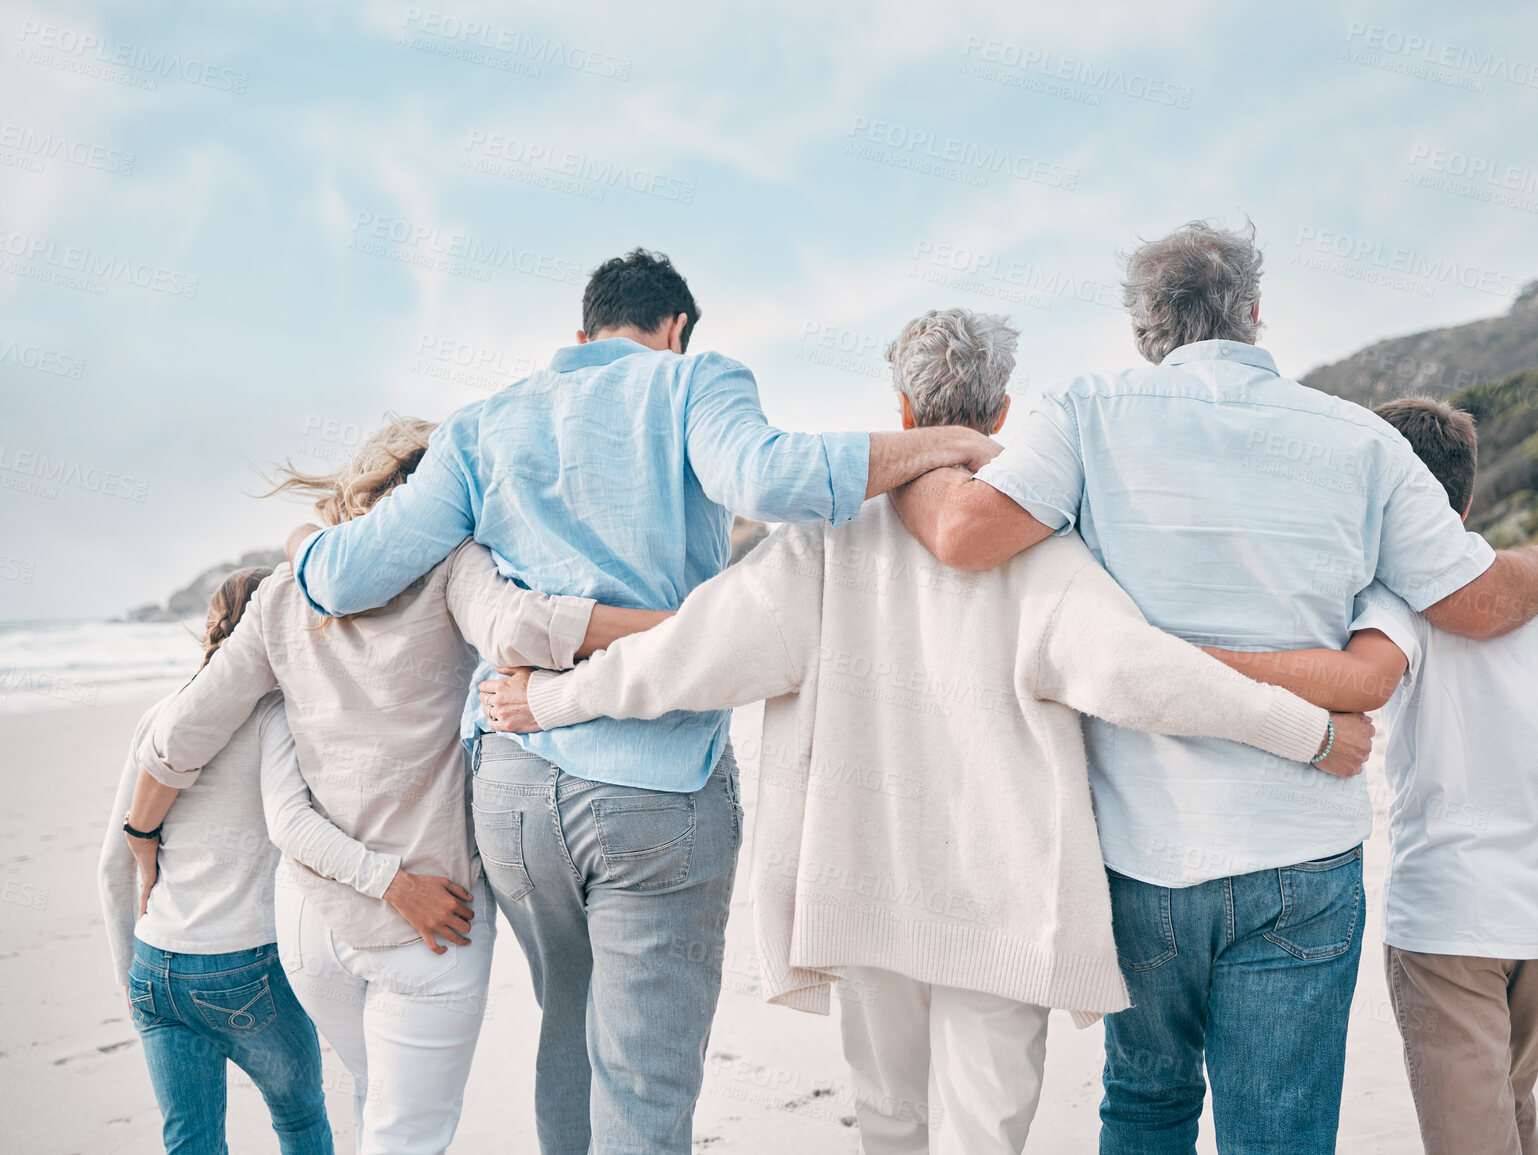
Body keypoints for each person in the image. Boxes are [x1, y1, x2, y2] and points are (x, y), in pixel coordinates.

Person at [477, 307, 1375, 1155]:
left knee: (888, 1128)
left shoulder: (822, 548)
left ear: (901, 409)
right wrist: (1307, 733)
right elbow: (1148, 676)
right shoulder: (1044, 555)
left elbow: (687, 652)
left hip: (861, 891)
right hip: (1002, 910)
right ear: (1004, 412)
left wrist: (550, 701)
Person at [289, 251, 1002, 1155]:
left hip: (510, 788)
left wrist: (302, 547)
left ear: (583, 331)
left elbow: (342, 578)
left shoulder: (482, 425)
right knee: (642, 1084)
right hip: (651, 787)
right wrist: (945, 443)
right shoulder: (691, 381)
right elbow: (771, 478)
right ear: (674, 331)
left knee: (570, 1041)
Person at [890, 221, 1538, 1154]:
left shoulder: (1089, 408)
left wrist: (897, 455)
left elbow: (964, 538)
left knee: (1144, 1102)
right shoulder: (1359, 440)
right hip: (1301, 849)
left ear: (1143, 331)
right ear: (1253, 313)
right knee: (1280, 1131)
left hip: (1138, 845)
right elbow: (1474, 602)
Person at [128, 416, 656, 1155]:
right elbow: (520, 627)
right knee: (405, 1135)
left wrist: (140, 830)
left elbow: (180, 732)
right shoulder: (452, 565)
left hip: (310, 921)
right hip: (430, 916)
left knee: (375, 1099)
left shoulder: (288, 589)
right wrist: (675, 624)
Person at [1202, 398, 1538, 1155]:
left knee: (1472, 1133)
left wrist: (1201, 660)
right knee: (1511, 1098)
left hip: (1458, 913)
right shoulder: (1528, 597)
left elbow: (1361, 681)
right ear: (1467, 497)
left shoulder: (1397, 595)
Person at [98, 568, 336, 1155]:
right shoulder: (277, 716)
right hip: (243, 966)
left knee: (190, 1140)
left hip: (155, 968)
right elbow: (293, 827)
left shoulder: (160, 716)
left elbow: (112, 868)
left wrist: (131, 980)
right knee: (301, 1121)